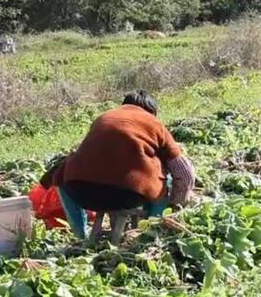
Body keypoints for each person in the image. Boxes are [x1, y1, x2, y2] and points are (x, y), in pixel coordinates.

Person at [39, 90, 195, 240]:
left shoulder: (104, 118)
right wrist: (176, 205)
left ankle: (80, 235)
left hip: (82, 195)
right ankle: (152, 229)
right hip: (128, 196)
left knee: (63, 175)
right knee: (165, 180)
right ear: (152, 112)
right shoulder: (154, 123)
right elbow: (185, 174)